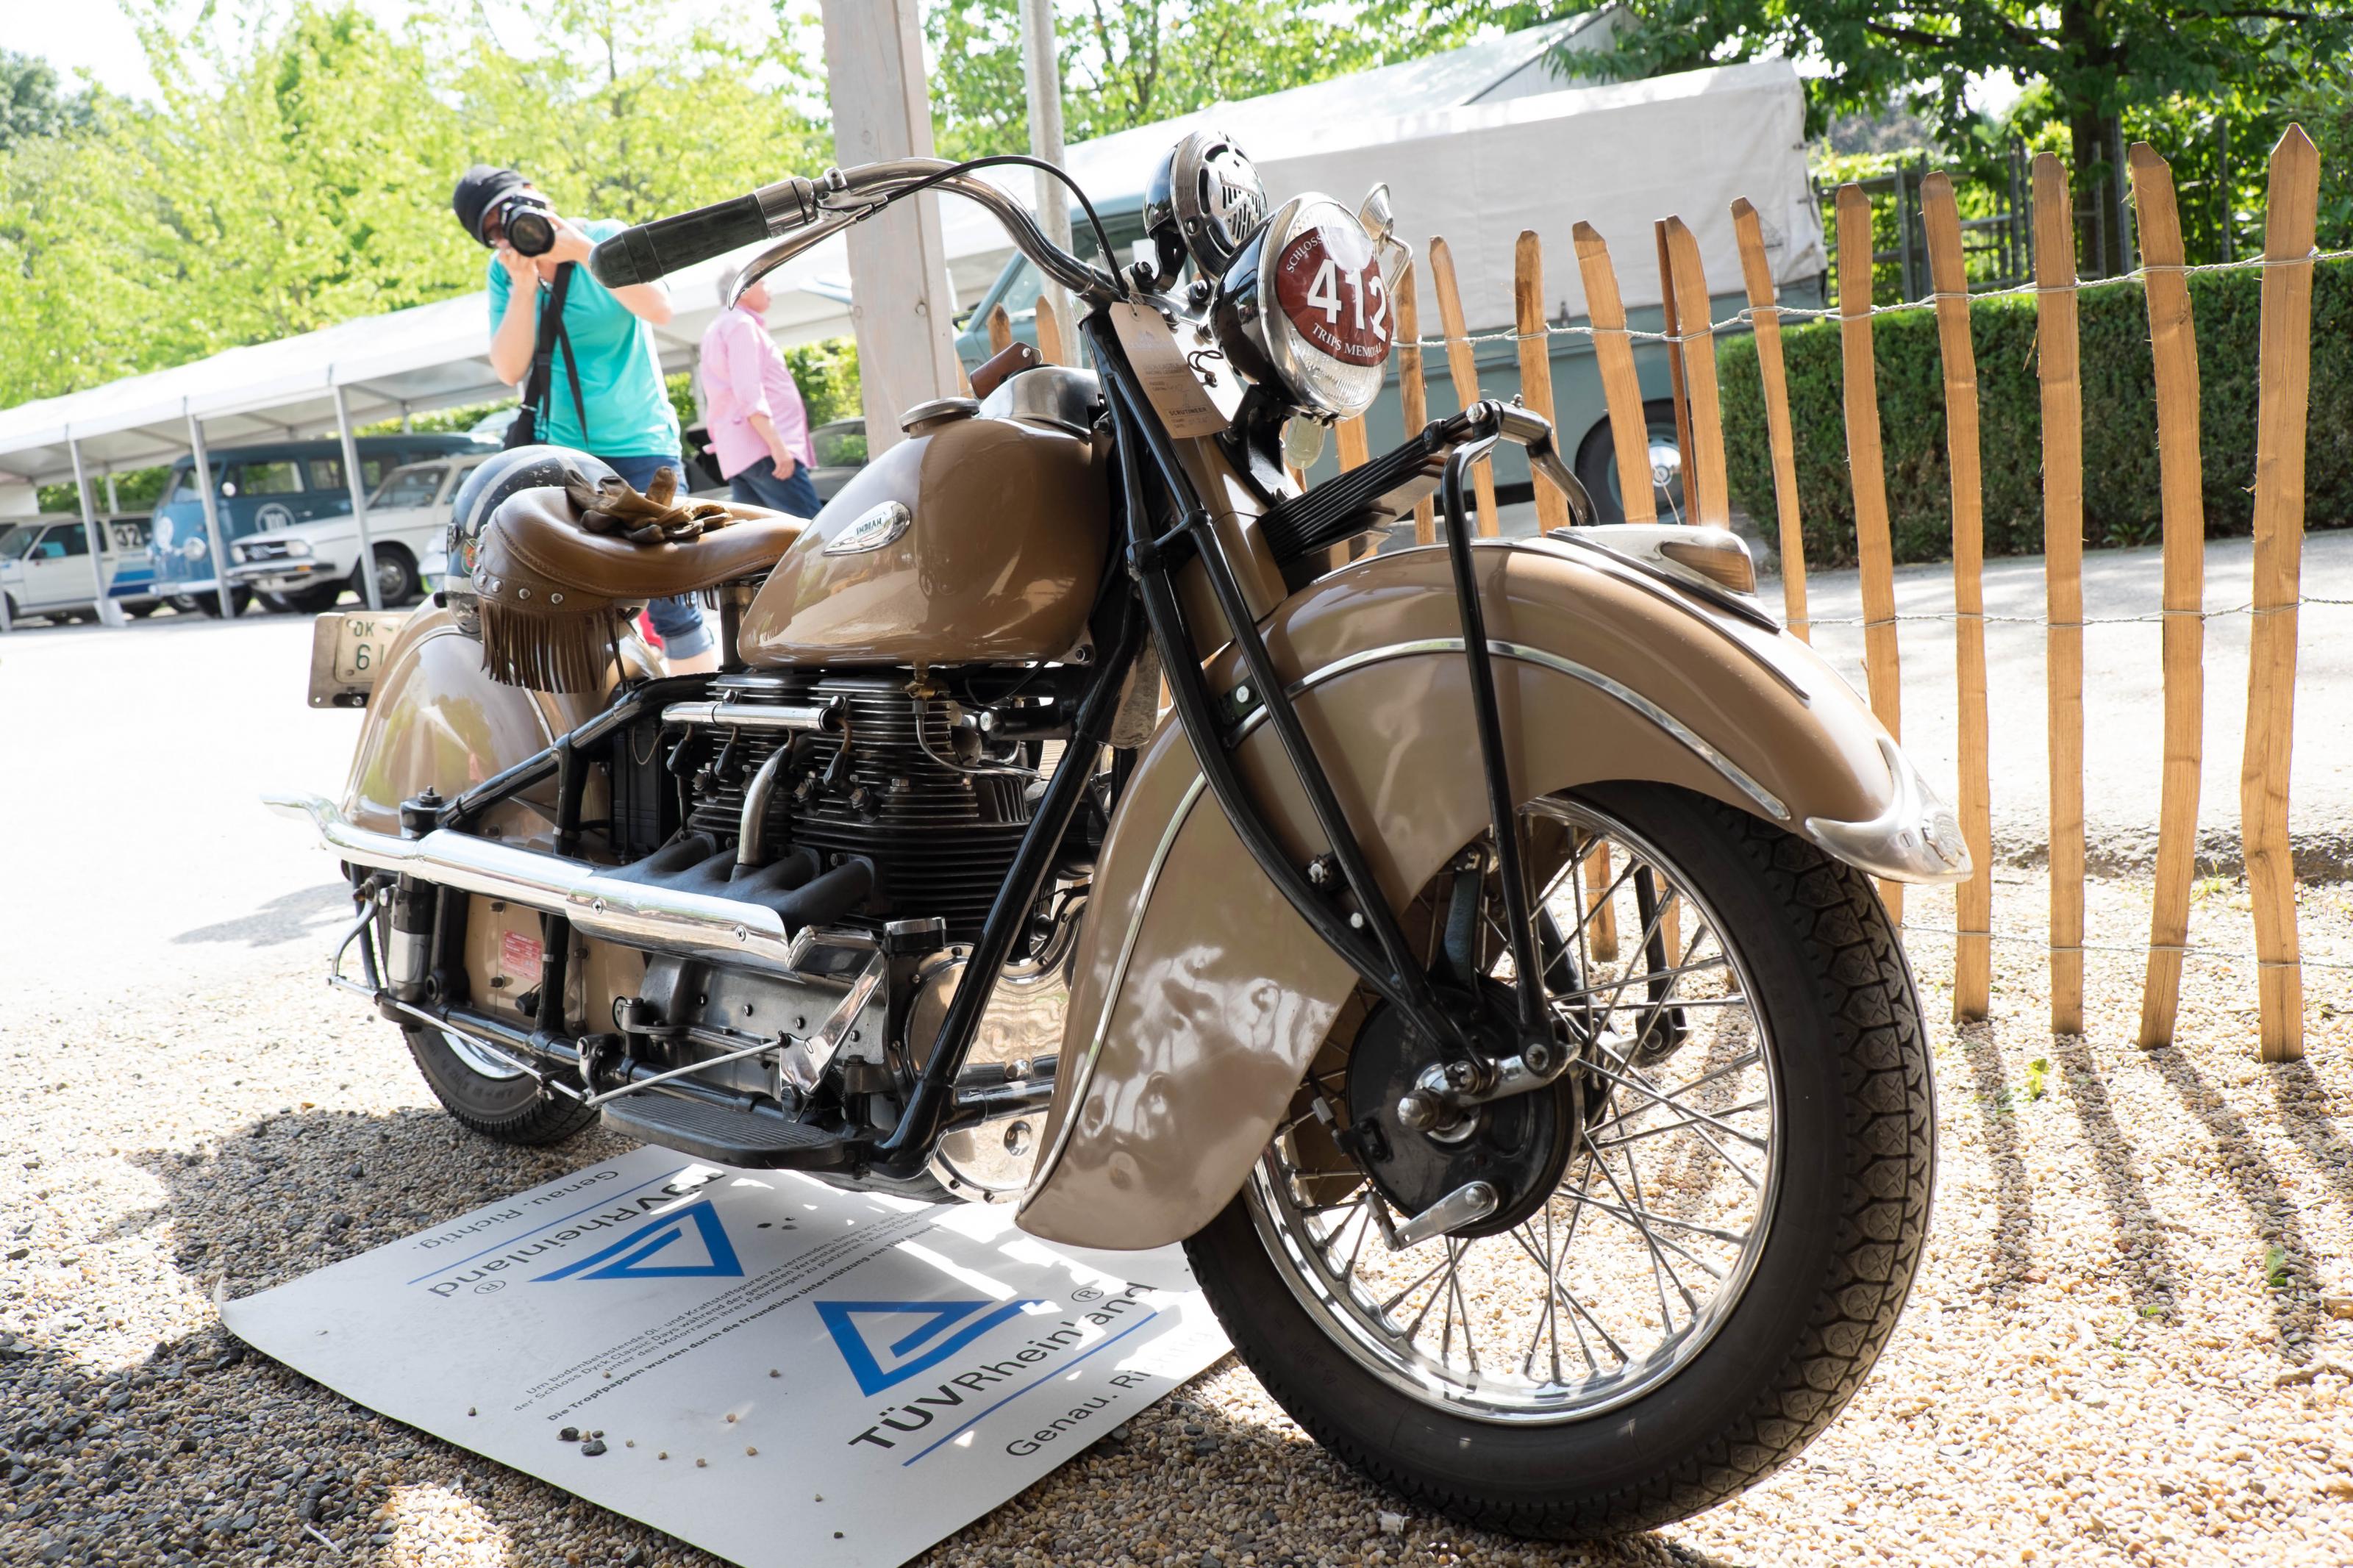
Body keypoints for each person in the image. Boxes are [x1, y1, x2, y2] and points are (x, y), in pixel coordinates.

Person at [450, 163, 719, 673]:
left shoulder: (605, 237)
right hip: (565, 458)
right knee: (574, 597)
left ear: (535, 194)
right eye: (493, 233)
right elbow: (509, 367)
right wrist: (524, 286)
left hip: (642, 445)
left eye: (510, 212)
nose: (508, 231)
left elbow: (660, 308)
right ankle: (612, 707)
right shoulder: (505, 273)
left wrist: (581, 252)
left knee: (671, 595)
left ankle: (697, 710)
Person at [697, 273, 821, 517]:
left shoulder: (717, 327)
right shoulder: (741, 325)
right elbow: (748, 392)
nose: (770, 288)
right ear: (743, 288)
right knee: (812, 529)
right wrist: (777, 445)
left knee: (761, 535)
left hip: (741, 453)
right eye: (763, 281)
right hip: (763, 448)